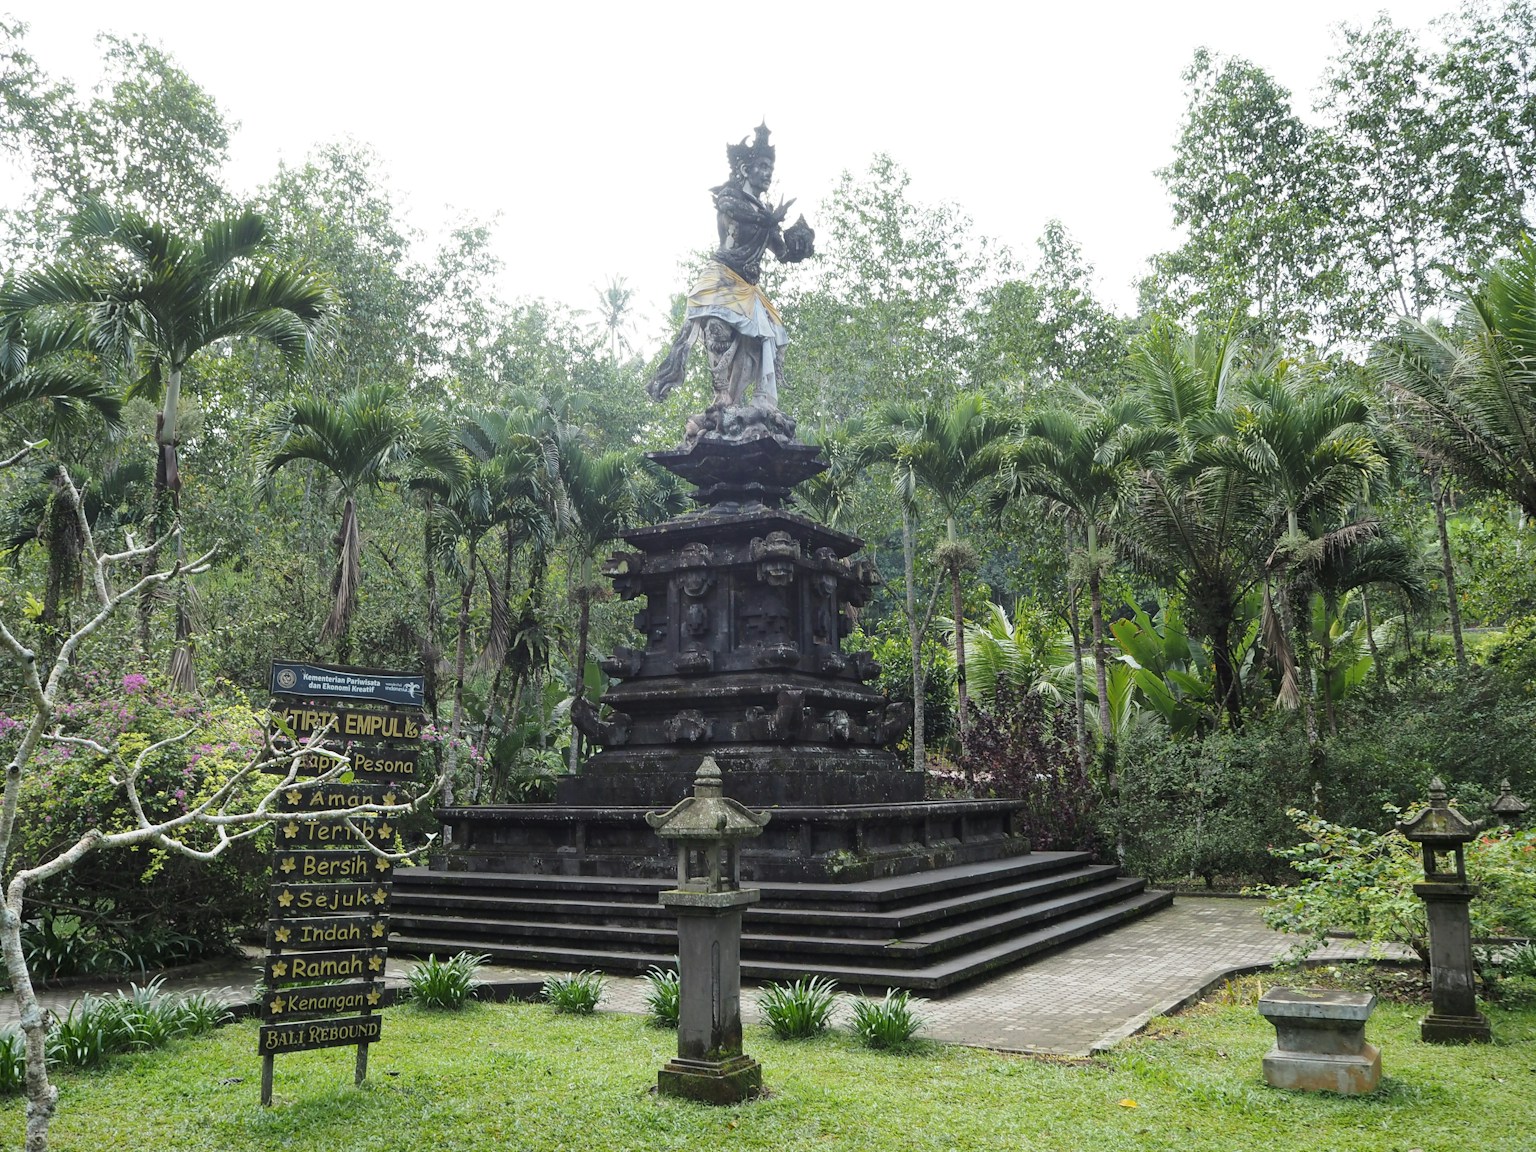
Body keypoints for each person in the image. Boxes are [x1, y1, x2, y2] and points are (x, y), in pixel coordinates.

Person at [648, 124, 814, 433]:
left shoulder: (766, 212)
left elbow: (782, 252)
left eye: (771, 168)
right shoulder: (731, 199)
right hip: (722, 277)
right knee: (718, 330)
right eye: (762, 167)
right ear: (744, 168)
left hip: (749, 288)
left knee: (762, 341)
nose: (767, 173)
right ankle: (722, 394)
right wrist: (770, 218)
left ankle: (748, 401)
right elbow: (736, 211)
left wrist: (800, 246)